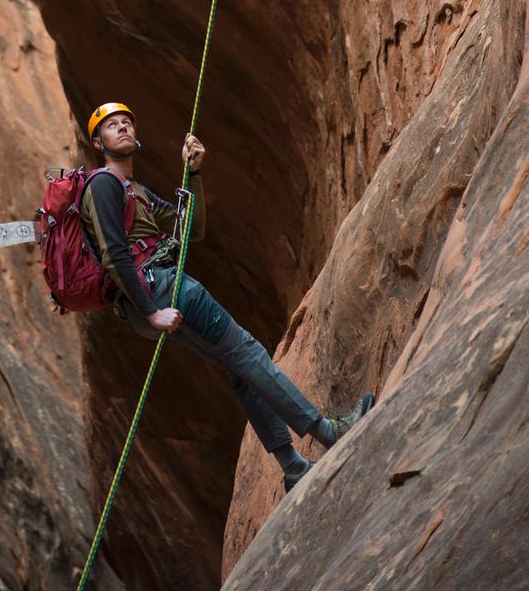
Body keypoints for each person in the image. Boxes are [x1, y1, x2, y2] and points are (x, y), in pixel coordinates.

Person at [79, 101, 374, 494]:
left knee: (239, 372)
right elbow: (114, 254)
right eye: (111, 126)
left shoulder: (137, 192)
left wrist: (194, 173)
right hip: (165, 289)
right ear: (98, 144)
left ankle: (293, 466)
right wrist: (151, 312)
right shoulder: (103, 184)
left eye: (126, 122)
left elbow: (191, 230)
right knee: (248, 353)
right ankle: (329, 431)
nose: (121, 127)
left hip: (162, 287)